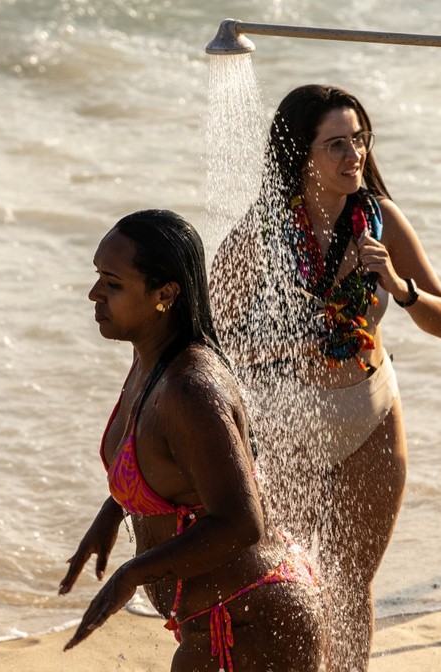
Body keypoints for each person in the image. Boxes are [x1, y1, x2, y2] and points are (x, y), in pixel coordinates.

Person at [209, 84, 441, 670]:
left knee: (350, 586)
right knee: (289, 585)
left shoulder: (380, 220)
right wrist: (273, 347)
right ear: (302, 156)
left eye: (361, 140)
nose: (356, 156)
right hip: (285, 422)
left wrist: (399, 287)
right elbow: (208, 335)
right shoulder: (263, 232)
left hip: (369, 413)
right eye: (338, 144)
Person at [59, 210, 323, 672]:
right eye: (97, 276)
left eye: (113, 283)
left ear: (165, 295)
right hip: (217, 620)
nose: (94, 294)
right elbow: (167, 466)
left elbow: (242, 524)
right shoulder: (150, 361)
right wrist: (113, 510)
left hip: (252, 621)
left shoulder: (191, 388)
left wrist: (131, 574)